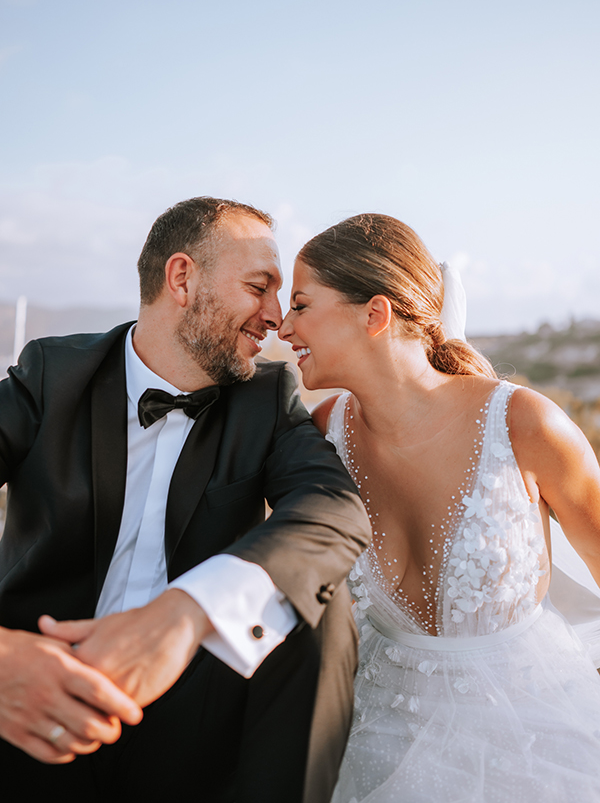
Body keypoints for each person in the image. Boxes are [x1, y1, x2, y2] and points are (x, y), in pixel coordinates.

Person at [0, 196, 371, 802]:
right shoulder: (50, 374)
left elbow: (333, 510)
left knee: (319, 608)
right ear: (181, 278)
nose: (277, 318)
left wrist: (186, 611)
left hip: (196, 712)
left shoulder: (268, 401)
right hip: (38, 692)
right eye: (260, 287)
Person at [279, 212, 600, 802]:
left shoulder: (525, 425)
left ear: (374, 314)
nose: (282, 325)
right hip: (373, 750)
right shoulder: (323, 438)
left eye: (300, 305)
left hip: (542, 751)